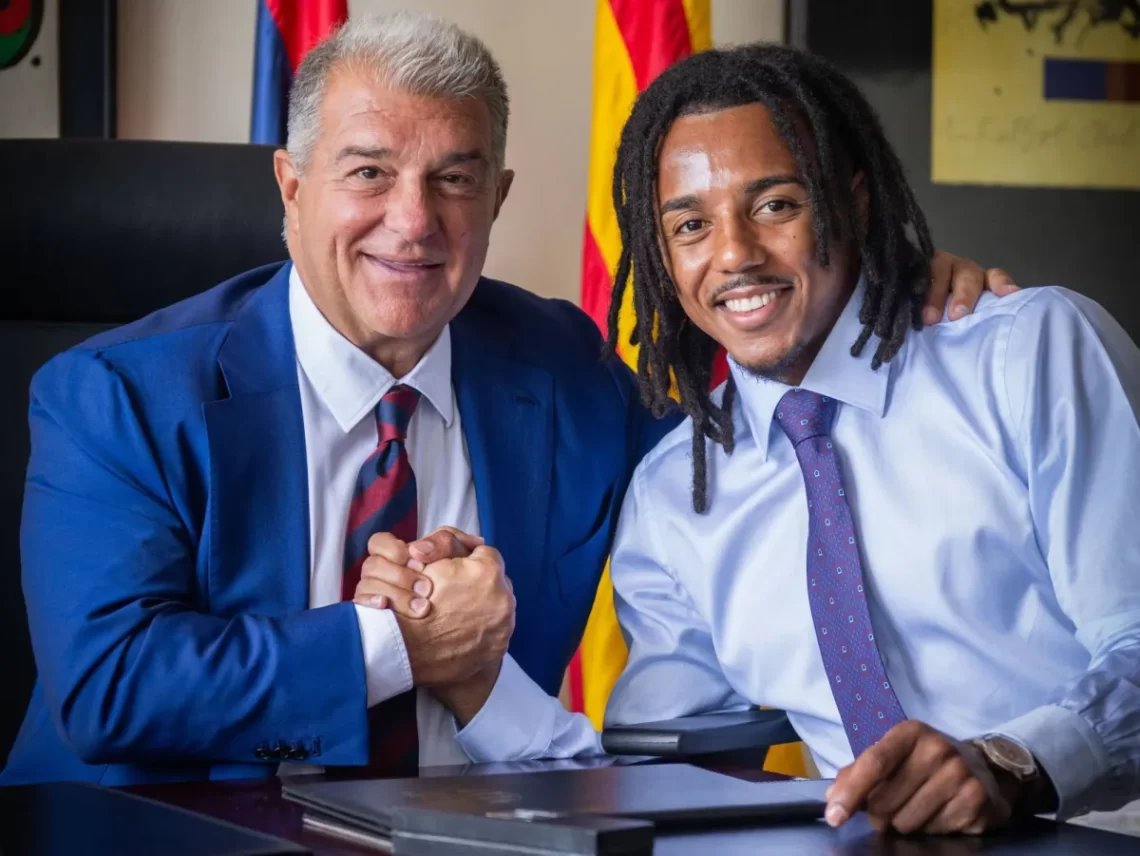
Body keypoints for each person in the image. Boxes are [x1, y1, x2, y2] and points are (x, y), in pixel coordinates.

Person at [2, 15, 1013, 787]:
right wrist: (401, 645)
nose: (414, 221)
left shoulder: (563, 370)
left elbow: (753, 458)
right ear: (292, 188)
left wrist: (884, 298)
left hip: (476, 832)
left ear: (499, 197)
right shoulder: (121, 394)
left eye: (455, 178)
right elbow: (110, 685)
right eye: (369, 172)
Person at [362, 42, 1140, 837]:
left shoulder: (1029, 356)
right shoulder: (677, 490)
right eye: (691, 224)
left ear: (854, 201)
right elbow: (649, 777)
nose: (734, 254)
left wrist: (1014, 764)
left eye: (775, 205)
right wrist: (475, 680)